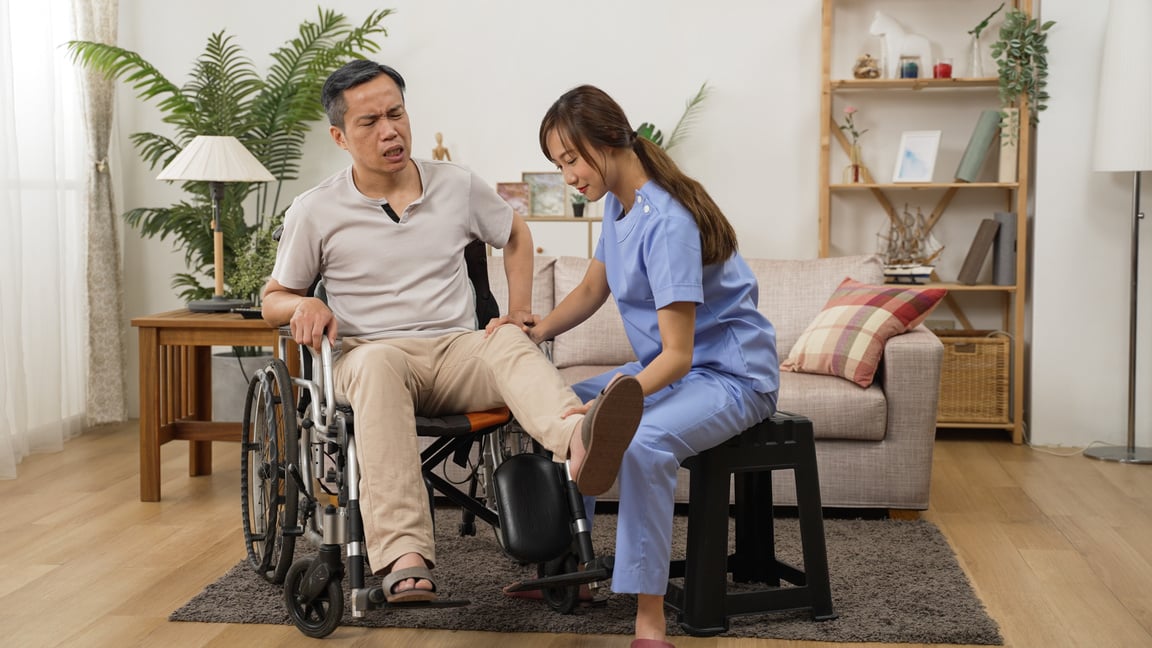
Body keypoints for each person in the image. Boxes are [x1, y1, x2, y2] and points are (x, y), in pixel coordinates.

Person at [261, 62, 643, 604]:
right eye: (370, 122)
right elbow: (271, 298)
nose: (390, 130)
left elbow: (514, 233)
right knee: (376, 365)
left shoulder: (456, 185)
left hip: (455, 350)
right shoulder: (315, 209)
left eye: (396, 113)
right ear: (340, 137)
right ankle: (403, 556)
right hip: (371, 355)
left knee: (509, 339)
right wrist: (300, 304)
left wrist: (518, 310)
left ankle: (578, 440)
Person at [503, 84, 779, 648]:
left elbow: (678, 356)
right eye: (559, 164)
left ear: (610, 140)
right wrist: (533, 328)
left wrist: (612, 401)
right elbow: (591, 287)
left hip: (731, 376)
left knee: (642, 442)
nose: (569, 176)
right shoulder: (617, 201)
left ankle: (648, 621)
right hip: (676, 368)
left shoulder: (669, 222)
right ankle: (569, 570)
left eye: (572, 159)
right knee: (556, 405)